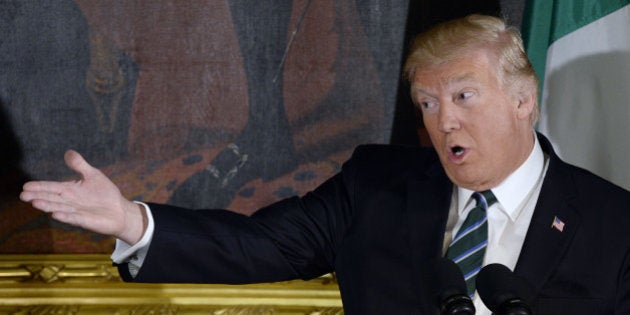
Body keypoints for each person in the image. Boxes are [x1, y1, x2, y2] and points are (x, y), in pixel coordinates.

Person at [20, 14, 630, 314]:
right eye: (427, 102)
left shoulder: (614, 223)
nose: (443, 121)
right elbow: (258, 244)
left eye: (464, 96)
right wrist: (132, 220)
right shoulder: (377, 186)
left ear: (524, 100)